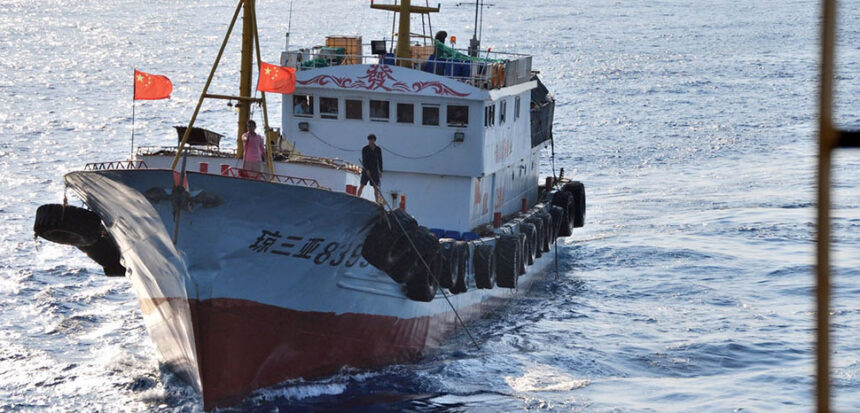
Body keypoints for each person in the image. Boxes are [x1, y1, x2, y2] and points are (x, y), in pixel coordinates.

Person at [357, 134, 383, 204]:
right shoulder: (365, 149)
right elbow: (364, 160)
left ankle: (377, 202)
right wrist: (367, 170)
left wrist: (380, 170)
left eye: (372, 140)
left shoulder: (378, 149)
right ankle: (357, 198)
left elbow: (380, 160)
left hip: (374, 170)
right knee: (362, 185)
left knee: (375, 187)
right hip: (366, 170)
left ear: (374, 140)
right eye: (370, 140)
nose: (371, 141)